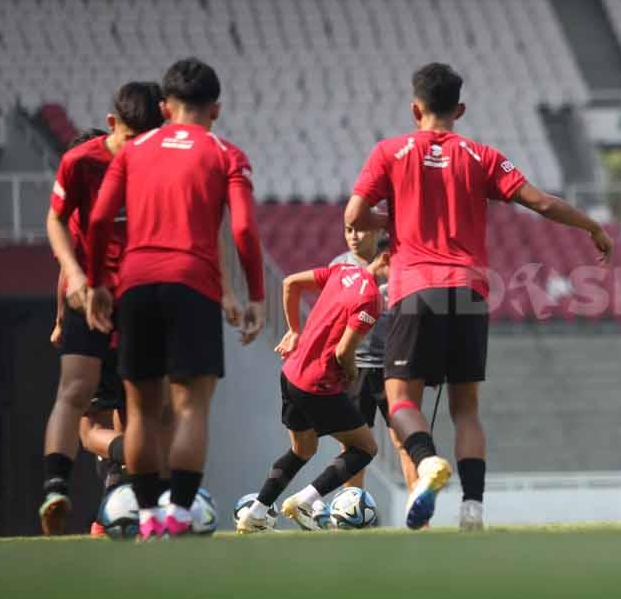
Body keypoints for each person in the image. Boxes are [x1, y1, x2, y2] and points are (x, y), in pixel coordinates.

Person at [345, 62, 612, 531]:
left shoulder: (389, 152)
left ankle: (427, 462)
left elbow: (354, 215)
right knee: (466, 408)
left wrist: (394, 222)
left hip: (415, 289)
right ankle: (473, 508)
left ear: (415, 108)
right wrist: (591, 226)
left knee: (401, 399)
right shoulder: (482, 156)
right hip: (468, 290)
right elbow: (542, 203)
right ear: (460, 108)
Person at [84, 58, 267, 539]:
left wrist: (96, 283)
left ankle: (146, 518)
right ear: (217, 109)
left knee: (140, 410)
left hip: (137, 282)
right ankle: (180, 514)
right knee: (190, 410)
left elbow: (100, 219)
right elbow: (244, 228)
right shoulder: (227, 153)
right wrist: (256, 296)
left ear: (165, 107)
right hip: (194, 282)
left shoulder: (132, 150)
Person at [39, 83, 166, 536]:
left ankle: (124, 509)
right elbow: (57, 229)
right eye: (133, 139)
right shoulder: (81, 163)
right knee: (76, 395)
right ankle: (56, 487)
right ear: (113, 127)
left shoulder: (157, 162)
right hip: (91, 297)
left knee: (143, 407)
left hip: (137, 300)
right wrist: (73, 283)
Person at [235, 256, 383, 532]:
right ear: (387, 261)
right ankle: (305, 500)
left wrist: (294, 331)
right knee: (365, 448)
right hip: (318, 384)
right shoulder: (372, 299)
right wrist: (350, 372)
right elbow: (343, 352)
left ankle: (256, 512)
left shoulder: (344, 271)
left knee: (303, 449)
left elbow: (290, 283)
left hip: (291, 374)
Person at [332, 227, 417, 490]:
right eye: (348, 230)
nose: (355, 236)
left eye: (361, 229)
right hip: (353, 367)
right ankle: (351, 513)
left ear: (378, 231)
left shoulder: (400, 263)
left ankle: (421, 512)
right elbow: (331, 315)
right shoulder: (339, 266)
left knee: (406, 440)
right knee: (353, 447)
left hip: (394, 366)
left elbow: (412, 314)